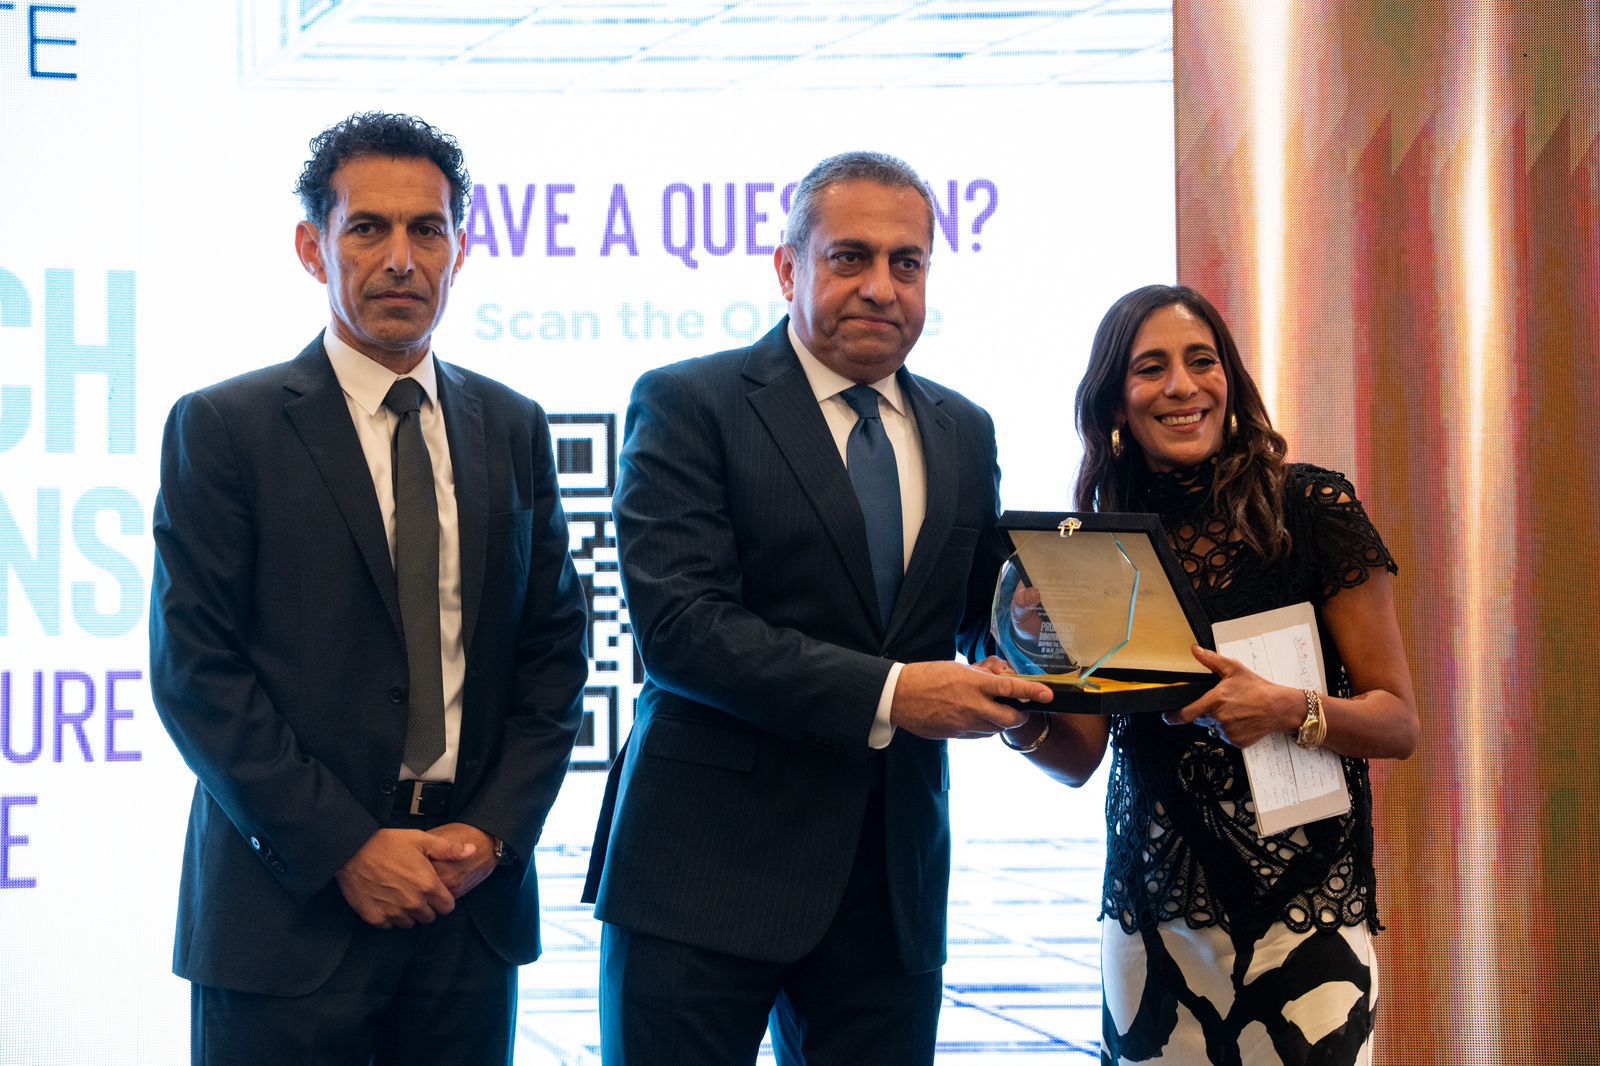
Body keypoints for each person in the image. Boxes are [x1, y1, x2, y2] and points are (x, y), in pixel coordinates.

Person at [581, 151, 1054, 1065]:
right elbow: (683, 630)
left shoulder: (964, 428)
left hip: (891, 882)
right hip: (702, 875)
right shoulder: (688, 402)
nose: (881, 287)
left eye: (907, 263)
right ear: (788, 267)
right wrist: (895, 694)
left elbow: (976, 612)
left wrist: (1037, 625)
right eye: (851, 257)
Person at [148, 112, 590, 1066]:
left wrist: (493, 834)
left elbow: (555, 657)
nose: (400, 259)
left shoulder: (513, 425)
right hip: (286, 918)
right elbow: (196, 673)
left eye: (427, 230)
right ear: (313, 247)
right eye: (368, 229)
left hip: (467, 913)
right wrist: (347, 847)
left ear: (459, 248)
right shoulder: (225, 427)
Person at [997, 284, 1418, 1064]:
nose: (1182, 386)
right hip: (1153, 922)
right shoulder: (1099, 541)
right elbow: (1079, 756)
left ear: (1230, 380)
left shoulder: (1310, 507)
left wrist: (1289, 708)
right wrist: (1017, 711)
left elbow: (1398, 723)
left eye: (1202, 361)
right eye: (1150, 368)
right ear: (1115, 402)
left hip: (1304, 917)